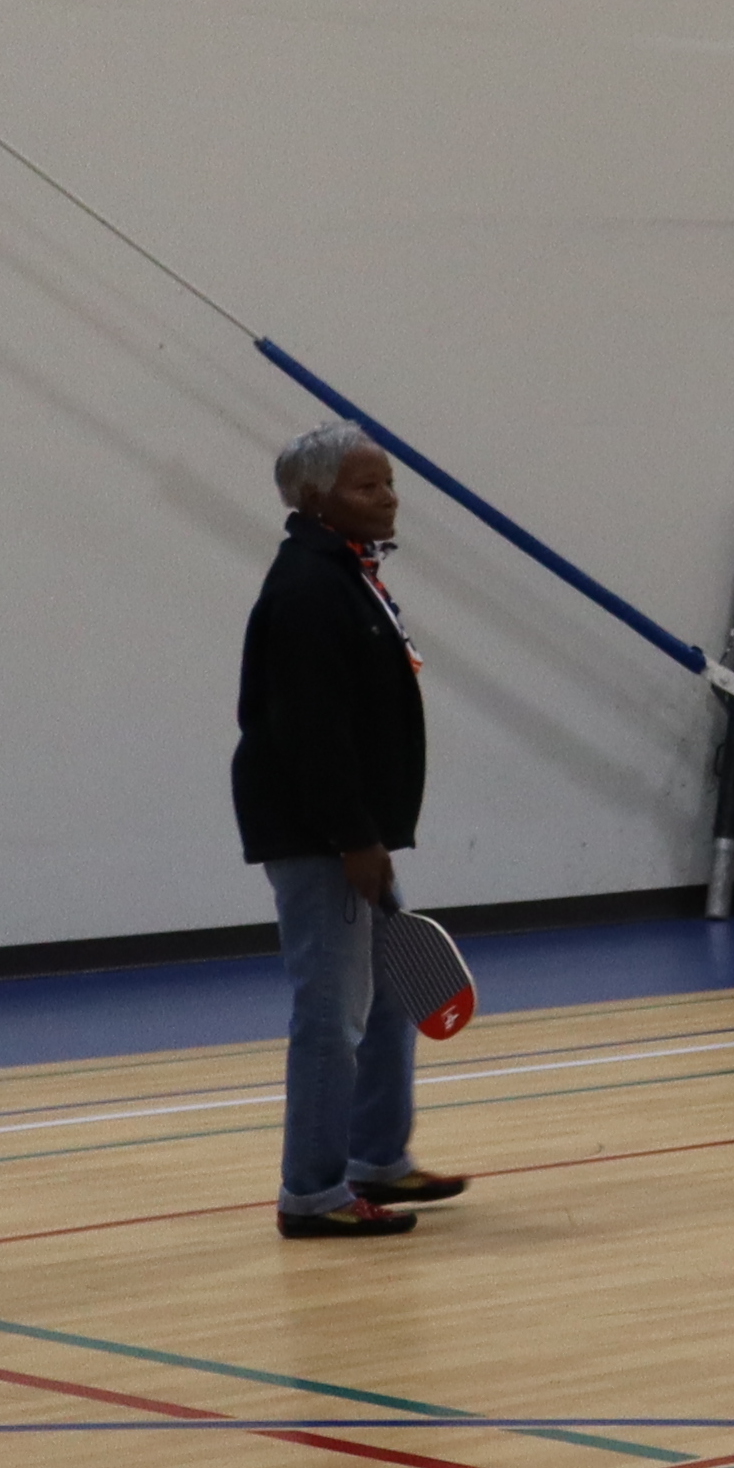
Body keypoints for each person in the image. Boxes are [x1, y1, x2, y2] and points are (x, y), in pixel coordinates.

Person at [231, 426, 471, 1240]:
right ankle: (314, 1193)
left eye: (390, 482)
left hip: (356, 829)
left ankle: (375, 1158)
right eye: (369, 488)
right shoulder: (307, 587)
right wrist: (351, 838)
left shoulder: (348, 576)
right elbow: (308, 730)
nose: (390, 497)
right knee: (331, 1012)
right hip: (324, 835)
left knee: (396, 990)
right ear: (315, 499)